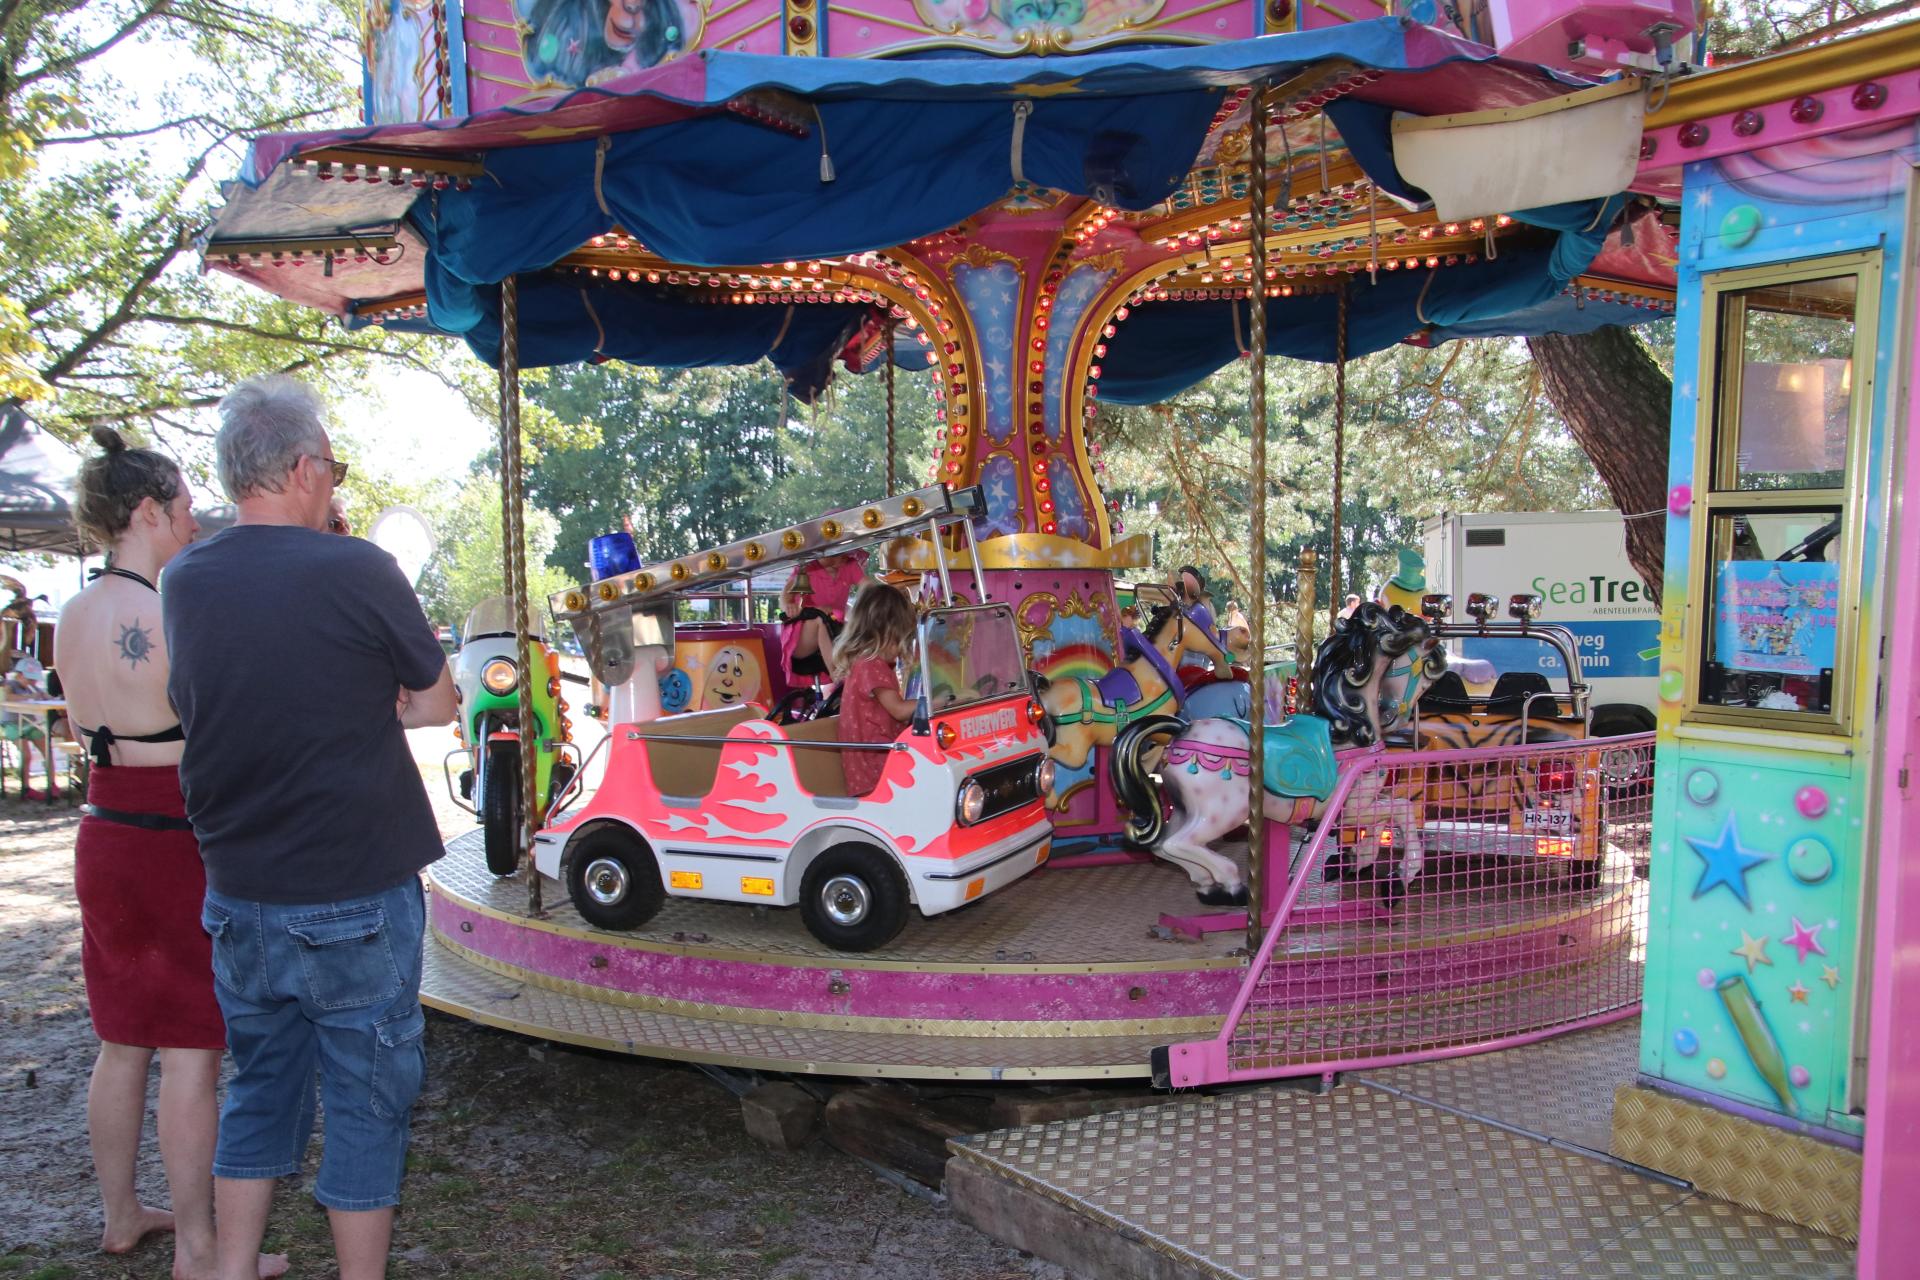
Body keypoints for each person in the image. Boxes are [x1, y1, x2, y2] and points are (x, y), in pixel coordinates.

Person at [163, 377, 456, 1280]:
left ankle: (230, 1268)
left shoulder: (184, 578)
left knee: (259, 1089)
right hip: (354, 884)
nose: (334, 481)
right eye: (333, 466)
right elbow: (437, 702)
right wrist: (373, 701)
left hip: (240, 890)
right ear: (301, 469)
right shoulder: (359, 567)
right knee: (367, 1105)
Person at [55, 428, 286, 1280]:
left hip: (102, 829)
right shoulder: (169, 613)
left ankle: (121, 1215)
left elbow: (84, 721)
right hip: (172, 832)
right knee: (192, 1045)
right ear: (148, 511)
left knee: (121, 1039)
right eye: (185, 508)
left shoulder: (72, 615)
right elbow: (222, 727)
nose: (193, 522)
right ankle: (197, 1247)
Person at [832, 583, 918, 797]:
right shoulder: (871, 665)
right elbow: (899, 710)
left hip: (874, 759)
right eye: (899, 639)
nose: (900, 649)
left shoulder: (866, 663)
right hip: (875, 767)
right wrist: (938, 701)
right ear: (885, 632)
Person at [779, 549, 865, 682]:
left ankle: (861, 676)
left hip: (835, 630)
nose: (843, 557)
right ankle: (836, 674)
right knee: (820, 619)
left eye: (845, 554)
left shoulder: (849, 564)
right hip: (804, 639)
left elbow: (867, 586)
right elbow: (786, 595)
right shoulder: (806, 567)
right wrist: (789, 606)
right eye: (836, 554)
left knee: (859, 627)